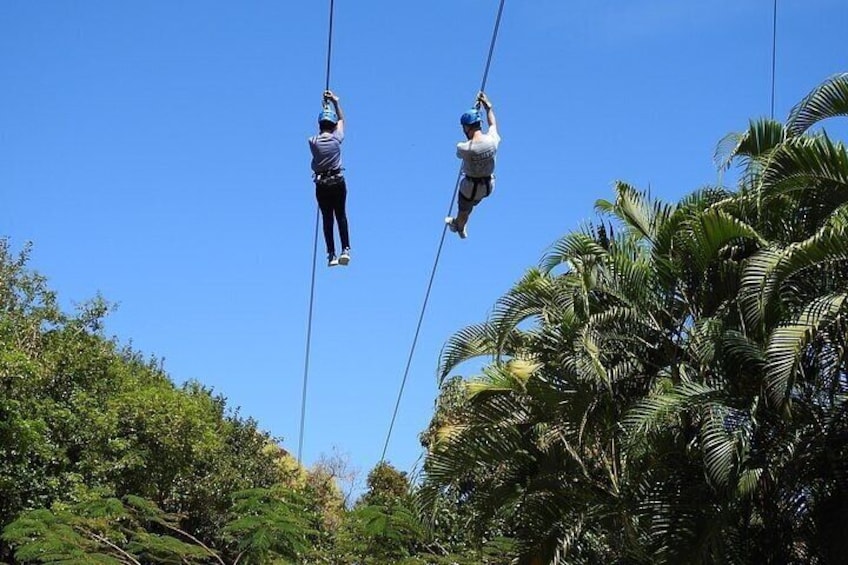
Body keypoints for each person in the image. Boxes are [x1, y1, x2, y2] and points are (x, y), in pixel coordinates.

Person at [446, 91, 500, 239]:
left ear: (466, 128)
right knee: (470, 206)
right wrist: (488, 107)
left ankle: (459, 226)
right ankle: (459, 224)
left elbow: (460, 153)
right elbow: (492, 124)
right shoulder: (492, 141)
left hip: (469, 188)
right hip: (488, 186)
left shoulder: (463, 148)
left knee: (464, 210)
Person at [308, 90, 351, 267]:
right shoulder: (336, 139)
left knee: (327, 218)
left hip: (322, 185)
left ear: (320, 125)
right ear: (333, 126)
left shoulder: (313, 141)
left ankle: (331, 254)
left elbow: (314, 162)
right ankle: (345, 249)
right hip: (337, 182)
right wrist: (335, 102)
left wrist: (325, 108)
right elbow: (341, 121)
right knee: (340, 215)